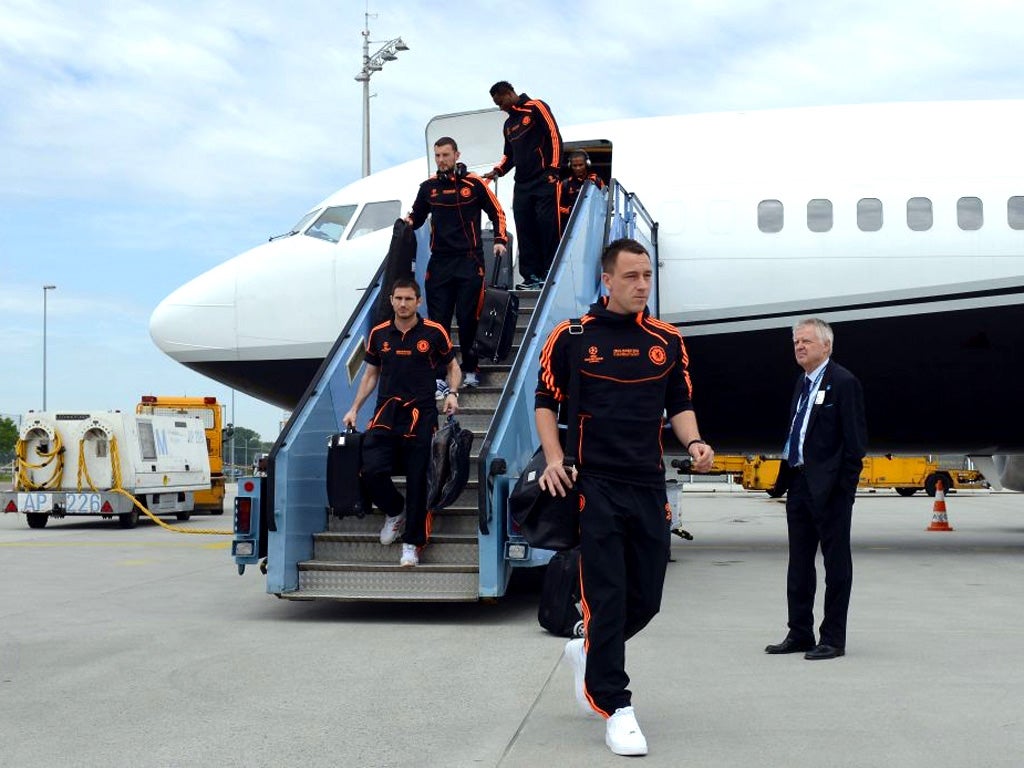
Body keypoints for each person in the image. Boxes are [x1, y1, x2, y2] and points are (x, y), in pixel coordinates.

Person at [534, 237, 714, 757]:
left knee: (648, 598)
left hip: (647, 484)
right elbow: (546, 401)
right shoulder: (570, 337)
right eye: (631, 277)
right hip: (594, 485)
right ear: (606, 280)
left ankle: (586, 650)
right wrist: (553, 458)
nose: (641, 286)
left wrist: (695, 441)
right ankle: (616, 705)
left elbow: (679, 402)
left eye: (647, 277)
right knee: (607, 595)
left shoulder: (668, 339)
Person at [765, 317, 867, 660]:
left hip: (831, 490)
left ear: (826, 345)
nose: (799, 346)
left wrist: (845, 490)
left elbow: (855, 444)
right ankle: (800, 632)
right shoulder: (802, 383)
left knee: (836, 565)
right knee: (800, 563)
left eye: (806, 341)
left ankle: (833, 638)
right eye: (796, 341)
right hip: (799, 483)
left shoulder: (844, 382)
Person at [342, 278, 461, 567]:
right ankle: (395, 510)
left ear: (418, 301)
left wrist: (453, 393)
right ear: (392, 300)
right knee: (371, 470)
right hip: (386, 412)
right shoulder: (379, 334)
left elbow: (452, 367)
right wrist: (355, 407)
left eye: (409, 299)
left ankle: (411, 544)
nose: (403, 304)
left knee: (418, 479)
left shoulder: (434, 332)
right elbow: (370, 375)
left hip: (422, 413)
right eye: (399, 299)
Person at [407, 136, 508, 391]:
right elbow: (417, 217)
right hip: (440, 262)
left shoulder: (473, 183)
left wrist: (499, 239)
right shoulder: (428, 187)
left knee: (467, 318)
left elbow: (496, 212)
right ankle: (441, 376)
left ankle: (471, 369)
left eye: (446, 155)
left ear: (457, 155)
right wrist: (406, 223)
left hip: (470, 260)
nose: (441, 160)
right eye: (438, 156)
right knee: (438, 321)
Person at [483, 81, 563, 290]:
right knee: (524, 227)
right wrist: (498, 171)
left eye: (501, 102)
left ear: (509, 93)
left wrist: (554, 170)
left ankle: (550, 271)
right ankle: (531, 276)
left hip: (544, 178)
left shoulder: (536, 107)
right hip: (523, 183)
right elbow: (509, 156)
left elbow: (554, 136)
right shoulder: (508, 125)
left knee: (546, 225)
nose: (501, 108)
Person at [558, 150, 605, 235]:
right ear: (570, 166)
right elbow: (557, 207)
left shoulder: (597, 181)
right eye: (574, 166)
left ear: (587, 164)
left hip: (593, 223)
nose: (578, 168)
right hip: (572, 225)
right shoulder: (565, 184)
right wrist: (569, 210)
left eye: (580, 165)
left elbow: (605, 202)